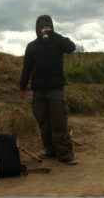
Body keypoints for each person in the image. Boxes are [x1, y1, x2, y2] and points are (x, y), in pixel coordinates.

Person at [19, 15, 77, 165]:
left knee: (59, 122)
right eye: (40, 26)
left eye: (46, 26)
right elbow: (27, 68)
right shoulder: (31, 46)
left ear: (51, 27)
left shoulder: (57, 42)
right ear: (36, 28)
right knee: (43, 122)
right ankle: (50, 150)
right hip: (38, 91)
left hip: (55, 89)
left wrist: (53, 35)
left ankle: (65, 154)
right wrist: (22, 87)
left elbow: (71, 48)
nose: (43, 29)